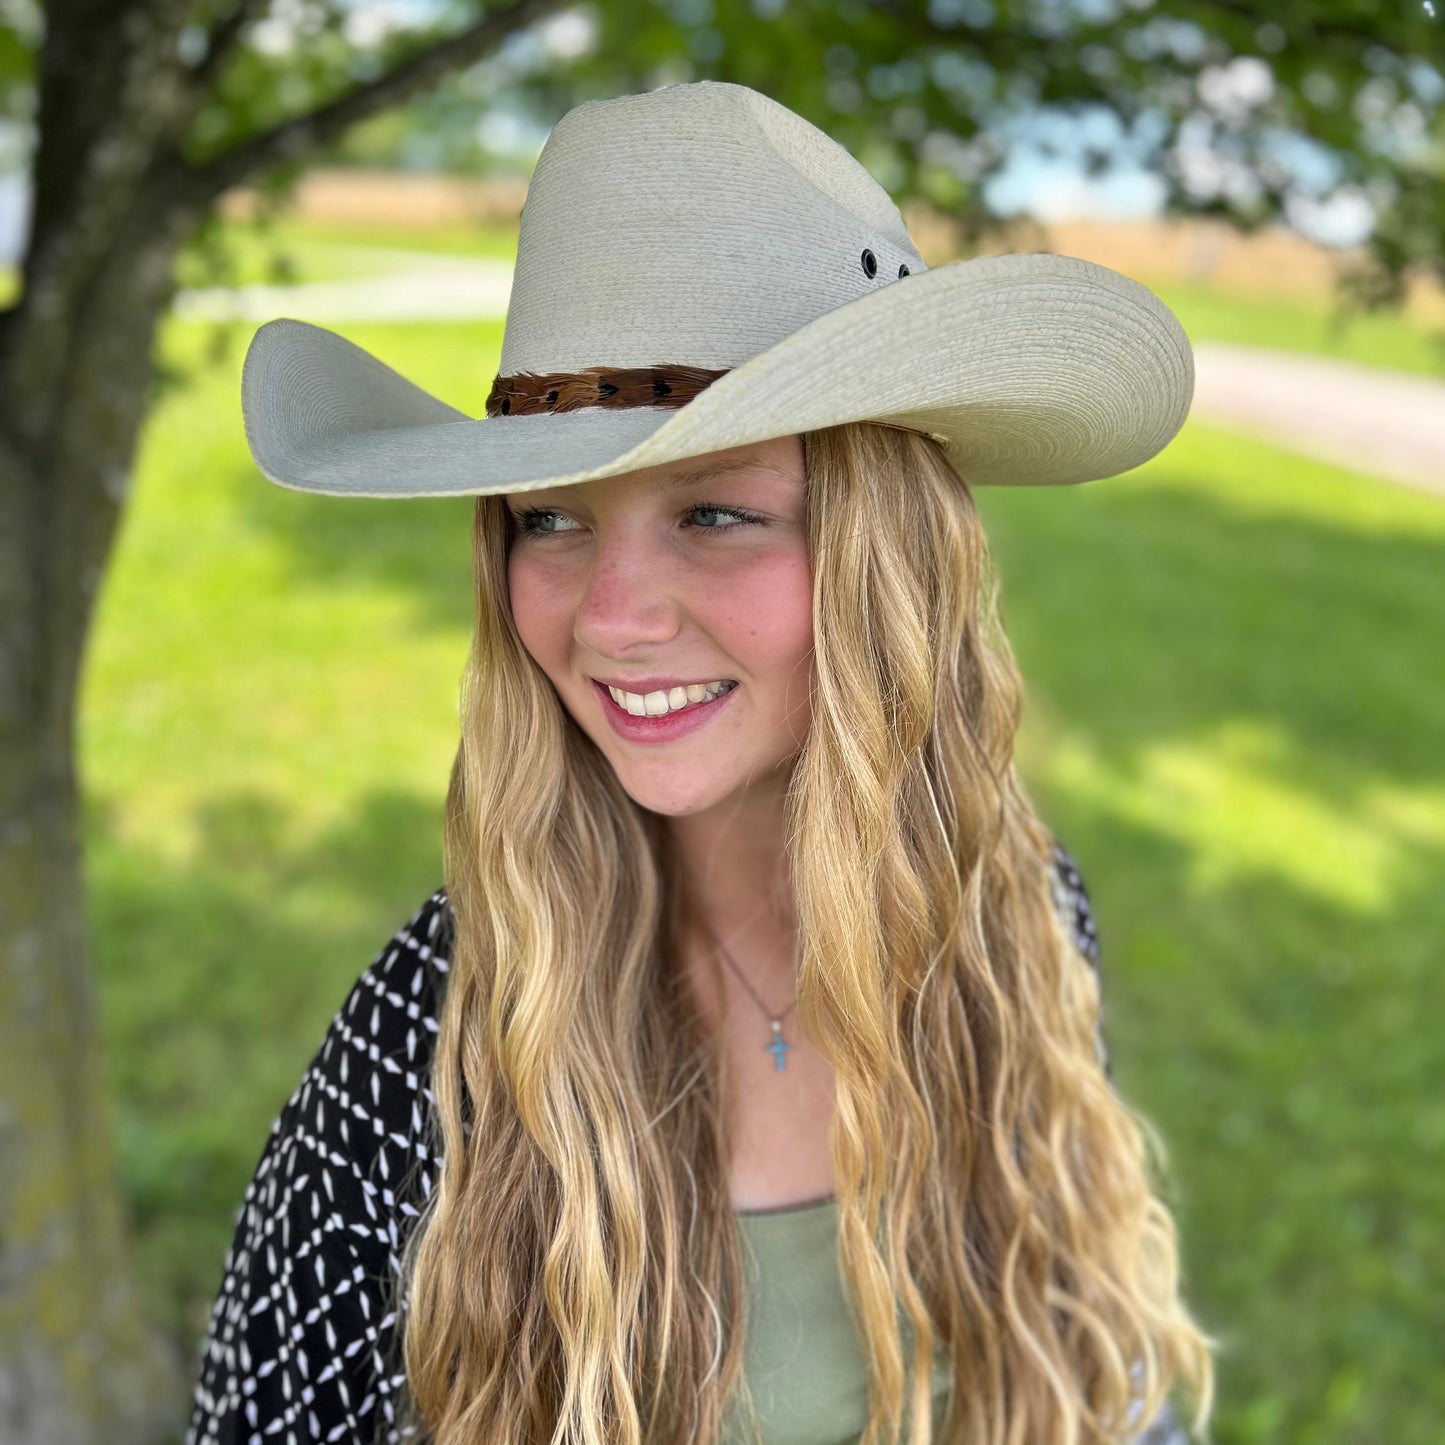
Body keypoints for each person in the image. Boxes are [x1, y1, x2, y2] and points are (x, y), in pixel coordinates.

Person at [187, 80, 1218, 1445]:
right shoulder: (431, 1051)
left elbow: (1103, 1388)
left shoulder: (1013, 919)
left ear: (884, 560)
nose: (611, 615)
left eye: (716, 511)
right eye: (549, 518)